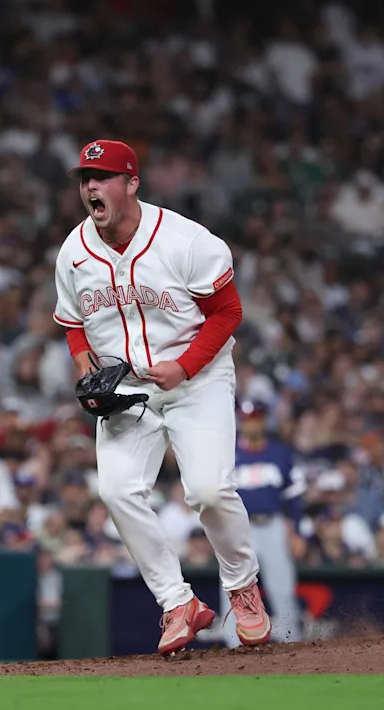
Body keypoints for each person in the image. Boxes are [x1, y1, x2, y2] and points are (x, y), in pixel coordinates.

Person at [52, 139, 271, 654]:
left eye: (102, 176)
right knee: (117, 491)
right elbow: (72, 321)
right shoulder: (74, 252)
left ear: (131, 184)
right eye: (85, 178)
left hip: (197, 378)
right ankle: (178, 602)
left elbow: (228, 312)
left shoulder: (186, 241)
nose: (90, 187)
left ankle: (242, 586)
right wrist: (81, 356)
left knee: (210, 490)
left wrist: (185, 366)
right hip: (127, 388)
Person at [220, 400, 302, 646]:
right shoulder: (227, 453)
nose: (251, 424)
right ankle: (234, 645)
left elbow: (294, 495)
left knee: (283, 587)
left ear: (263, 421)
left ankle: (292, 642)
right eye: (246, 419)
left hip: (273, 525)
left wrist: (298, 530)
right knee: (234, 587)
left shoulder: (279, 452)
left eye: (255, 418)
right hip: (238, 528)